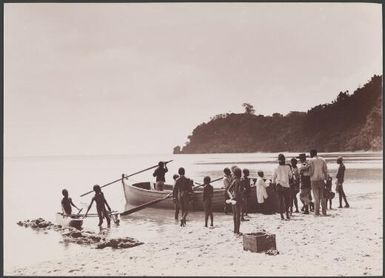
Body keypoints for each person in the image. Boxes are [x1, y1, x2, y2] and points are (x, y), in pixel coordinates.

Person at [272, 154, 292, 220]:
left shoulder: (276, 168)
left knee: (280, 201)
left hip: (279, 185)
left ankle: (281, 215)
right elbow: (290, 176)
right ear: (284, 160)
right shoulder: (288, 167)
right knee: (287, 201)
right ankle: (287, 214)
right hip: (286, 186)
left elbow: (273, 178)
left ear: (278, 161)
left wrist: (273, 186)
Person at [309, 149, 328, 216]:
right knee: (323, 197)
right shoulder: (322, 159)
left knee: (316, 197)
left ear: (311, 154)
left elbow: (311, 172)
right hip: (321, 180)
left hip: (314, 180)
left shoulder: (311, 160)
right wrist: (327, 179)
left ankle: (317, 212)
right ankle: (324, 212)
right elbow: (325, 170)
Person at [227, 167, 243, 234]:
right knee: (238, 216)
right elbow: (240, 191)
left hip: (233, 199)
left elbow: (228, 190)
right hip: (238, 199)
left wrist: (231, 197)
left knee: (234, 215)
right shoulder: (240, 181)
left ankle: (234, 230)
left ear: (235, 174)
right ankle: (237, 231)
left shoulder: (234, 181)